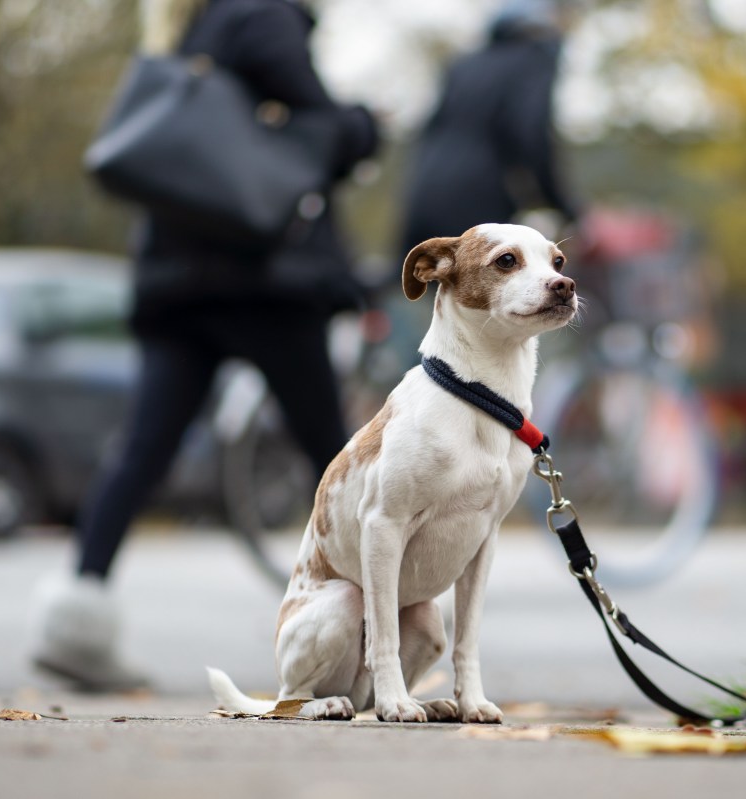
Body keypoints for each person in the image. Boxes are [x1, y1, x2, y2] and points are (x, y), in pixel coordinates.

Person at [29, 0, 379, 691]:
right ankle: (368, 642)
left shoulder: (195, 24)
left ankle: (75, 618)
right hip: (265, 284)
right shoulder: (266, 17)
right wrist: (366, 127)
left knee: (140, 450)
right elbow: (319, 127)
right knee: (335, 459)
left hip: (179, 284)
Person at [398, 0, 583, 256]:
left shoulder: (464, 64)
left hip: (422, 196)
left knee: (424, 291)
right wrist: (567, 208)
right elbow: (531, 135)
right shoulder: (535, 56)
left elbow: (429, 131)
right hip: (477, 201)